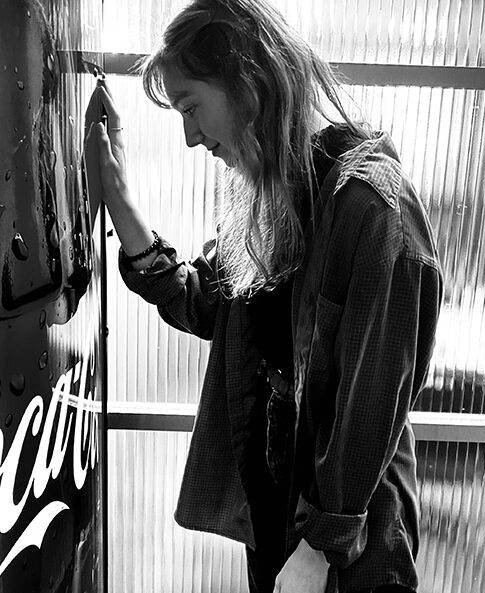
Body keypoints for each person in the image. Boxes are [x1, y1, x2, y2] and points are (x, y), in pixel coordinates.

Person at [83, 1, 443, 591]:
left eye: (192, 107)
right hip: (277, 506)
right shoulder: (273, 198)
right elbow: (202, 302)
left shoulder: (375, 214)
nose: (191, 136)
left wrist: (321, 548)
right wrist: (119, 201)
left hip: (350, 547)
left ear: (250, 80)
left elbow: (371, 406)